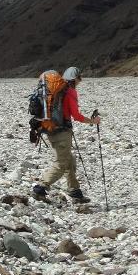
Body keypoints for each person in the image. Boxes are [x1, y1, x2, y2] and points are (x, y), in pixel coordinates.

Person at [32, 66, 100, 203]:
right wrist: (93, 121)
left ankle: (75, 191)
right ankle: (40, 188)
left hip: (49, 129)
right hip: (62, 132)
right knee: (61, 164)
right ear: (75, 79)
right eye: (80, 78)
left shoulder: (56, 90)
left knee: (69, 160)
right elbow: (76, 116)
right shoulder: (70, 92)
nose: (81, 81)